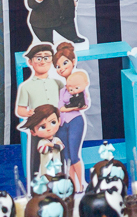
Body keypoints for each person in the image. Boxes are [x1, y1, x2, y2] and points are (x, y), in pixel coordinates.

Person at [16, 44, 63, 177]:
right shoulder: (26, 86)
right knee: (37, 159)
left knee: (59, 154)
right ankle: (37, 184)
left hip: (56, 124)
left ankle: (60, 179)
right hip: (38, 126)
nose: (43, 61)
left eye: (47, 57)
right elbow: (20, 110)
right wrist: (29, 113)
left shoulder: (57, 83)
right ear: (30, 62)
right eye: (38, 58)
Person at [54, 42, 88, 192]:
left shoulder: (79, 84)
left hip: (74, 121)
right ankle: (74, 185)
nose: (61, 68)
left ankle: (81, 183)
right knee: (66, 157)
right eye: (58, 66)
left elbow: (84, 104)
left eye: (65, 63)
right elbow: (60, 108)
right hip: (62, 124)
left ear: (73, 62)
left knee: (74, 155)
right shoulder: (62, 91)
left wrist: (72, 106)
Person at [18, 104, 65, 178]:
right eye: (42, 127)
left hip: (57, 166)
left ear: (59, 121)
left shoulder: (56, 139)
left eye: (53, 122)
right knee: (47, 181)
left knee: (57, 180)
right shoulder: (42, 142)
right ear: (33, 132)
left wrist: (51, 145)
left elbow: (61, 147)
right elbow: (43, 150)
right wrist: (53, 146)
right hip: (46, 169)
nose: (49, 128)